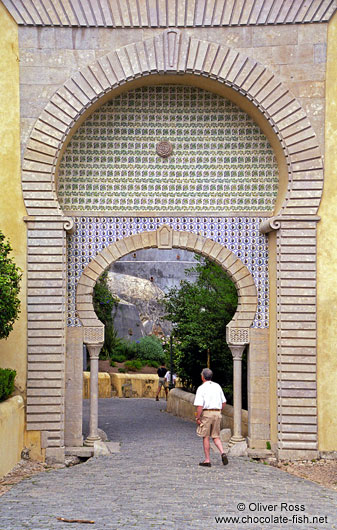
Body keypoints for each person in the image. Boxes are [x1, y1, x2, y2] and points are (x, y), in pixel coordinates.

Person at [194, 368, 228, 467]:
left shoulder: (201, 388)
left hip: (207, 413)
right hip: (217, 413)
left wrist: (198, 417)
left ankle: (207, 460)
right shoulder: (217, 386)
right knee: (216, 436)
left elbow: (199, 406)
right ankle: (222, 452)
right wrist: (218, 411)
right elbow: (224, 402)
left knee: (206, 436)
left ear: (202, 377)